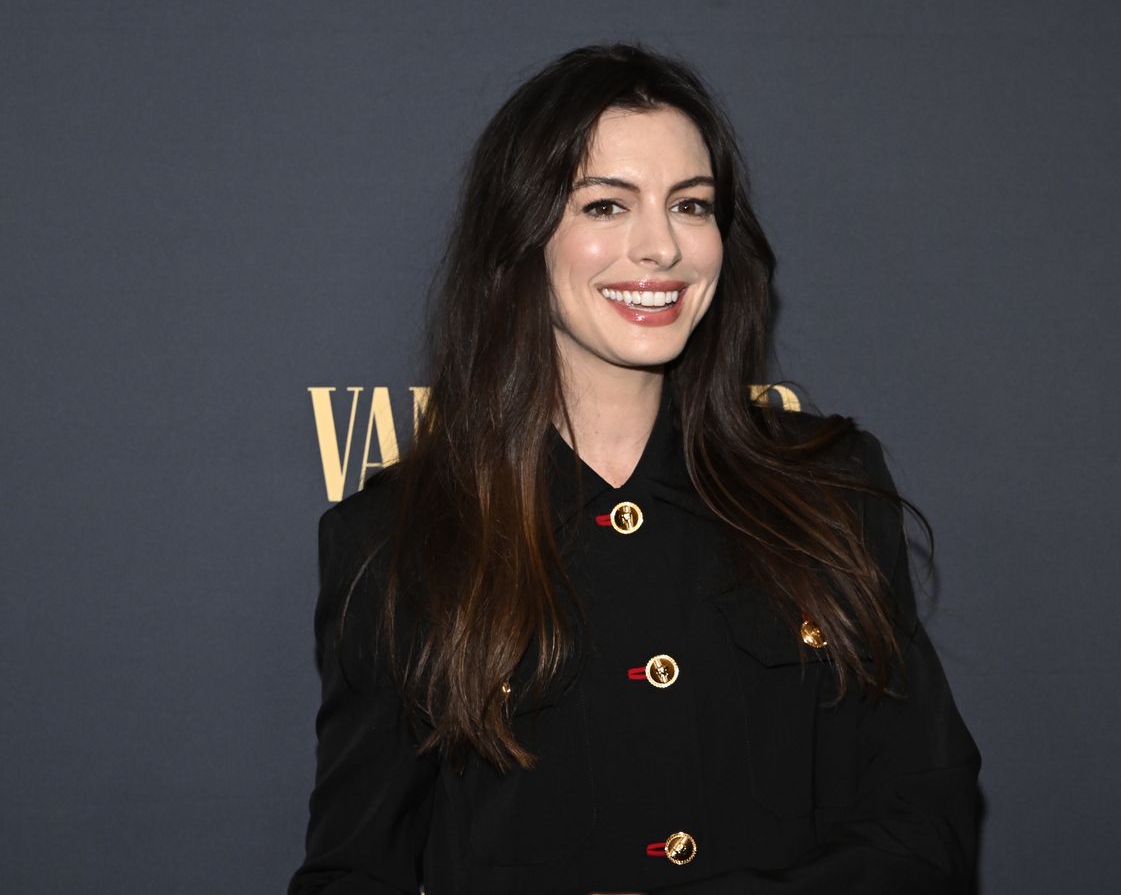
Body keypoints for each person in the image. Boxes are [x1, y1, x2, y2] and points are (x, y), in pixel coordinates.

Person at [290, 44, 980, 895]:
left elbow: (926, 818)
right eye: (606, 204)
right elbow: (355, 872)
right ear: (523, 233)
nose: (660, 247)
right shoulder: (393, 540)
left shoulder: (828, 488)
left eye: (691, 205)